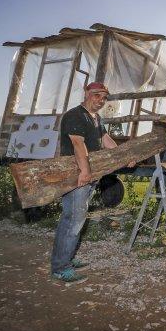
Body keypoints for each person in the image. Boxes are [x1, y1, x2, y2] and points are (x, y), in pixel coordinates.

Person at [50, 82, 129, 283]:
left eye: (103, 97)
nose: (100, 100)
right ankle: (61, 268)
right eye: (96, 95)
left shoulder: (95, 118)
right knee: (74, 220)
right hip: (76, 174)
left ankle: (65, 258)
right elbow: (78, 144)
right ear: (86, 93)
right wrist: (85, 171)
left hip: (88, 173)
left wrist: (123, 156)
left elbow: (105, 140)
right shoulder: (75, 115)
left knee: (72, 219)